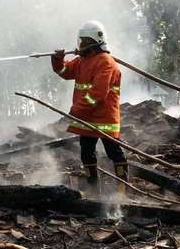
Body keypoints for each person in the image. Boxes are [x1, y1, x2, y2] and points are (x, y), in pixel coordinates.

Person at [51, 20, 128, 195]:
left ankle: (123, 192)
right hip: (87, 119)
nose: (80, 44)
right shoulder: (81, 61)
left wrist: (76, 111)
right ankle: (94, 190)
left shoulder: (106, 62)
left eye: (83, 41)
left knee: (114, 154)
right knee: (87, 154)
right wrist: (58, 60)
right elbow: (65, 72)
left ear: (93, 41)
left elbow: (97, 94)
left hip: (104, 120)